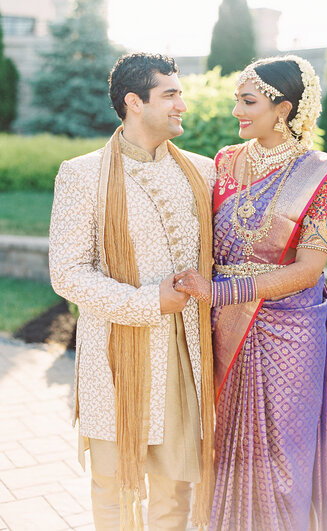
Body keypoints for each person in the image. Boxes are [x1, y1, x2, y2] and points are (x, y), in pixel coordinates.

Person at [174, 55, 327, 530]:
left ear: (284, 108)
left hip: (289, 329)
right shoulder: (226, 162)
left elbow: (309, 267)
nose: (236, 109)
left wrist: (219, 292)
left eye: (247, 100)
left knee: (281, 461)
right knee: (225, 444)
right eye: (237, 97)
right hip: (225, 323)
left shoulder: (321, 173)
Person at [49, 52, 216, 530]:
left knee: (174, 485)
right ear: (133, 102)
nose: (182, 103)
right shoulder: (82, 174)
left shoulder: (201, 172)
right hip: (116, 356)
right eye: (171, 94)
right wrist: (147, 302)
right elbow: (68, 272)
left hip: (184, 352)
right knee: (114, 484)